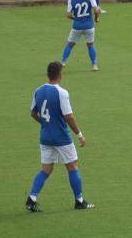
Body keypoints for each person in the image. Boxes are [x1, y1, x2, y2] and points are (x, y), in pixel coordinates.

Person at [25, 61, 95, 212]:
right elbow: (69, 117)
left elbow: (33, 113)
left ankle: (31, 198)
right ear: (60, 75)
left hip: (45, 137)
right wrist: (80, 134)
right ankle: (79, 201)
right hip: (61, 137)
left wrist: (45, 124)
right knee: (72, 166)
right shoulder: (62, 93)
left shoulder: (38, 90)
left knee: (46, 169)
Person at [61, 0, 100, 71]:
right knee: (90, 45)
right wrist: (96, 18)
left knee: (70, 44)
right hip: (89, 25)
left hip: (77, 26)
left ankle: (63, 62)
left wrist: (76, 18)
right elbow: (96, 10)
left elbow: (68, 15)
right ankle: (94, 65)